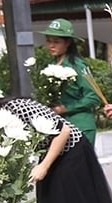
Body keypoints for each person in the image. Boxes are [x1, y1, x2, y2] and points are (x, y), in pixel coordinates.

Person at [39, 18, 101, 146]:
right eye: (49, 41)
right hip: (59, 128)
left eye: (56, 42)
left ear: (68, 43)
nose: (51, 45)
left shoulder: (78, 66)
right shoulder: (50, 66)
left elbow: (93, 96)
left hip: (81, 126)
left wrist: (66, 108)